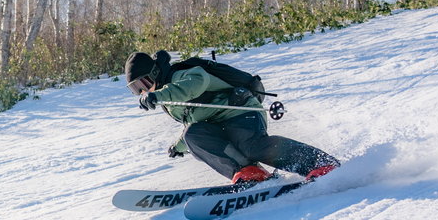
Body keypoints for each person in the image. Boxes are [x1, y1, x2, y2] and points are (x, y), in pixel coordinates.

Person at [124, 50, 339, 186]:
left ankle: (320, 164)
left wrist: (158, 95)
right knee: (193, 135)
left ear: (153, 73)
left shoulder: (180, 75)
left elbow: (195, 84)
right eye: (135, 90)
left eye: (141, 84)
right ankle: (249, 172)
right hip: (218, 123)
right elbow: (193, 119)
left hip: (241, 112)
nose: (141, 92)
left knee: (250, 146)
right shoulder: (167, 99)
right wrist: (179, 146)